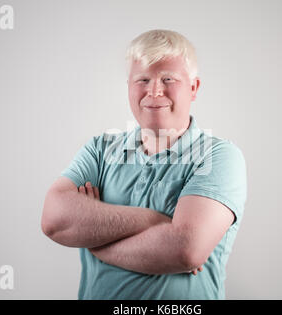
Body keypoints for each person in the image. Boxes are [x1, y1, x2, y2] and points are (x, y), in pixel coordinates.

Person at [41, 29, 247, 299]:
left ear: (194, 87)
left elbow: (185, 250)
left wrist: (96, 243)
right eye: (143, 79)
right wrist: (156, 221)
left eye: (168, 79)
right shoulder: (100, 150)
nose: (154, 90)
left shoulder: (218, 157)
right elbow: (54, 221)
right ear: (129, 85)